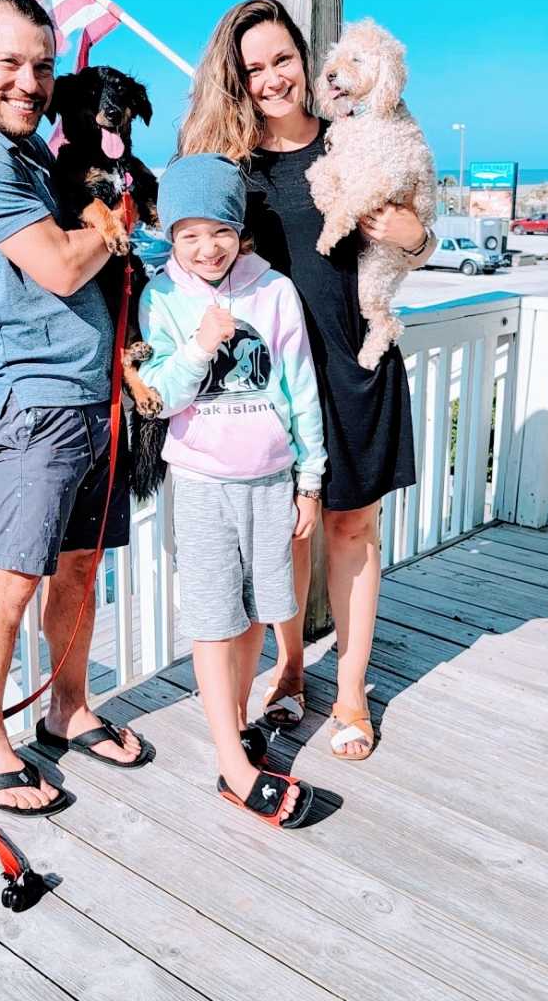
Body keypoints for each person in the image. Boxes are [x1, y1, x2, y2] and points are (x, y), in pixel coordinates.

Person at [178, 0, 436, 760]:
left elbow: (414, 221)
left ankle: (352, 689)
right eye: (253, 68)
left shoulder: (355, 139)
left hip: (357, 364)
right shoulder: (232, 173)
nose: (271, 79)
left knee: (352, 530)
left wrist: (418, 240)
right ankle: (291, 667)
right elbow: (188, 255)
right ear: (237, 78)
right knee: (285, 536)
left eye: (282, 59)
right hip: (269, 387)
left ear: (306, 59)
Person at [0, 0, 151, 817]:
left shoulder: (26, 156)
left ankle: (66, 709)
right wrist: (120, 217)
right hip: (33, 408)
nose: (29, 83)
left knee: (80, 568)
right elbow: (59, 265)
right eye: (9, 64)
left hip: (92, 403)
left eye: (43, 67)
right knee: (11, 584)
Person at [138, 153, 324, 827]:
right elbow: (157, 401)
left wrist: (312, 478)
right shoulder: (160, 297)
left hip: (272, 480)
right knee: (216, 622)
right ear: (169, 233)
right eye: (188, 233)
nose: (205, 247)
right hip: (202, 483)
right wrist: (197, 347)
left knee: (252, 615)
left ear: (239, 229)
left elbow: (299, 386)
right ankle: (234, 766)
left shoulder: (273, 291)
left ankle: (239, 724)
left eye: (219, 230)